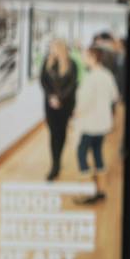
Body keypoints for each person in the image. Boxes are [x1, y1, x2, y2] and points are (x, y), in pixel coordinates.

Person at [70, 47, 121, 203]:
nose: (84, 59)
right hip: (103, 124)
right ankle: (100, 190)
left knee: (82, 154)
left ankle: (87, 194)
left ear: (93, 57)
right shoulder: (107, 75)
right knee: (98, 153)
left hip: (89, 124)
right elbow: (114, 96)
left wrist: (75, 114)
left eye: (85, 56)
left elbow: (84, 103)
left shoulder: (91, 78)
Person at [38, 38, 78, 182]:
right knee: (53, 133)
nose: (51, 50)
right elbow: (42, 81)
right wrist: (51, 97)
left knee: (61, 132)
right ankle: (55, 163)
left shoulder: (71, 63)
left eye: (53, 48)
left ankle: (58, 160)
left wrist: (59, 99)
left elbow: (73, 84)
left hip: (65, 105)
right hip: (50, 105)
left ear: (60, 48)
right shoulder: (47, 61)